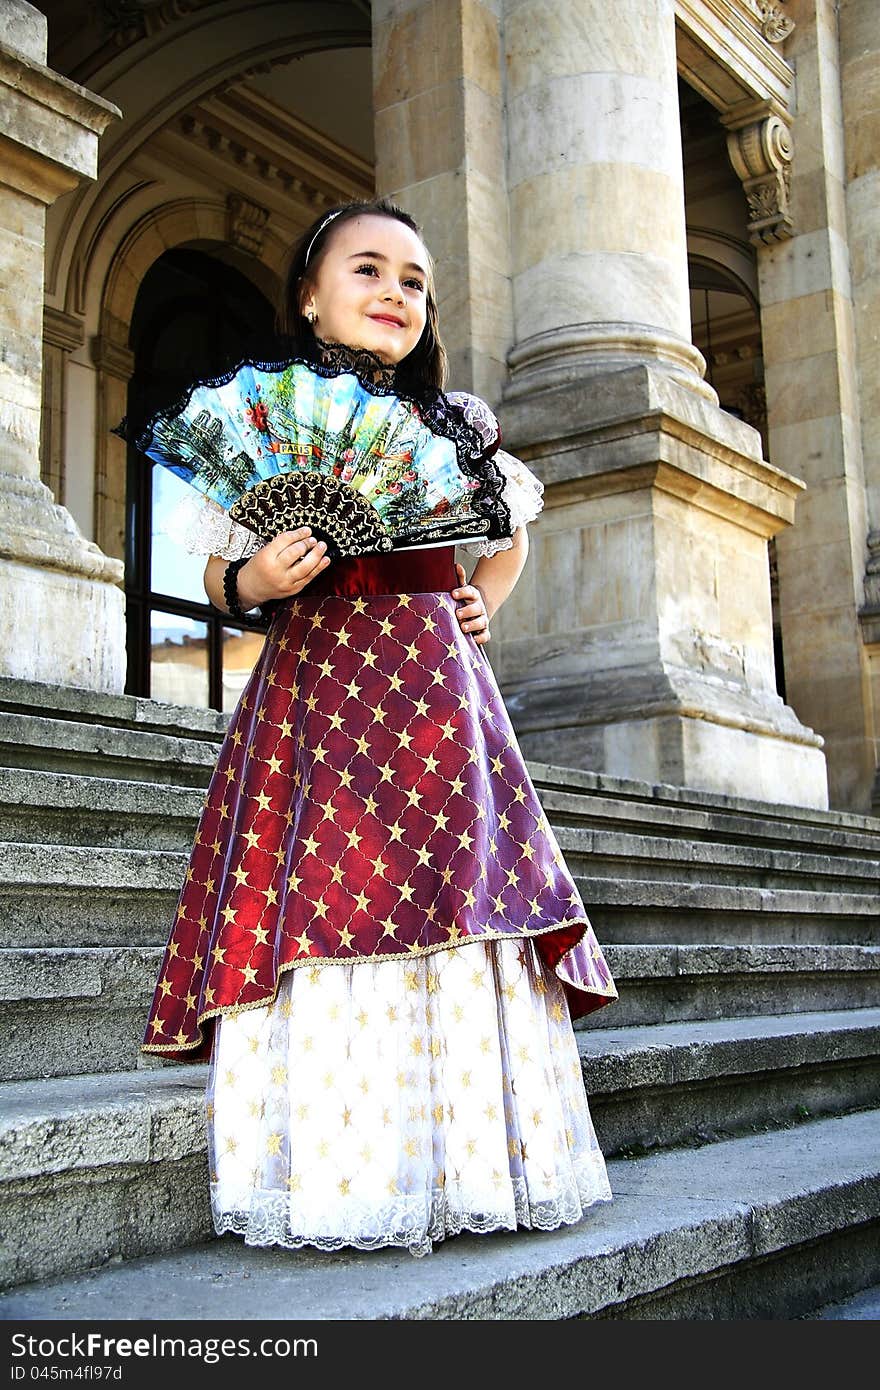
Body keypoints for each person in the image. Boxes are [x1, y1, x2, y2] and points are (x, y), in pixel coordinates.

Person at [141, 197, 618, 1258]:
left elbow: (506, 529)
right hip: (316, 693)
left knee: (458, 885)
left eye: (414, 281)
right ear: (310, 298)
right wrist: (253, 577)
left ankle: (480, 1157)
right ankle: (353, 1170)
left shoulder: (457, 423)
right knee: (324, 887)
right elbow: (216, 568)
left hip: (436, 694)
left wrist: (487, 595)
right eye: (368, 270)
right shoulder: (266, 426)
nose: (396, 292)